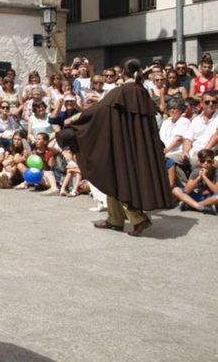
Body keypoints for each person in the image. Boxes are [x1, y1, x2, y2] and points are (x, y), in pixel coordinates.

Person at [58, 58, 172, 237]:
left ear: (122, 73)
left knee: (119, 180)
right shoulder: (141, 91)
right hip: (138, 146)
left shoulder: (121, 92)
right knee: (111, 177)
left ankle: (138, 219)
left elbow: (97, 110)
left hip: (122, 146)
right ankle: (115, 219)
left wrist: (73, 119)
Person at [173, 149, 218, 214]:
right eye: (202, 161)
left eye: (209, 161)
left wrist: (205, 177)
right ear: (199, 162)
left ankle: (192, 205)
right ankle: (200, 207)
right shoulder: (196, 171)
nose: (205, 163)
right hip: (200, 195)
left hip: (211, 197)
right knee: (176, 190)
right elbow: (187, 190)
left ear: (213, 162)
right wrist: (198, 178)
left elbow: (217, 191)